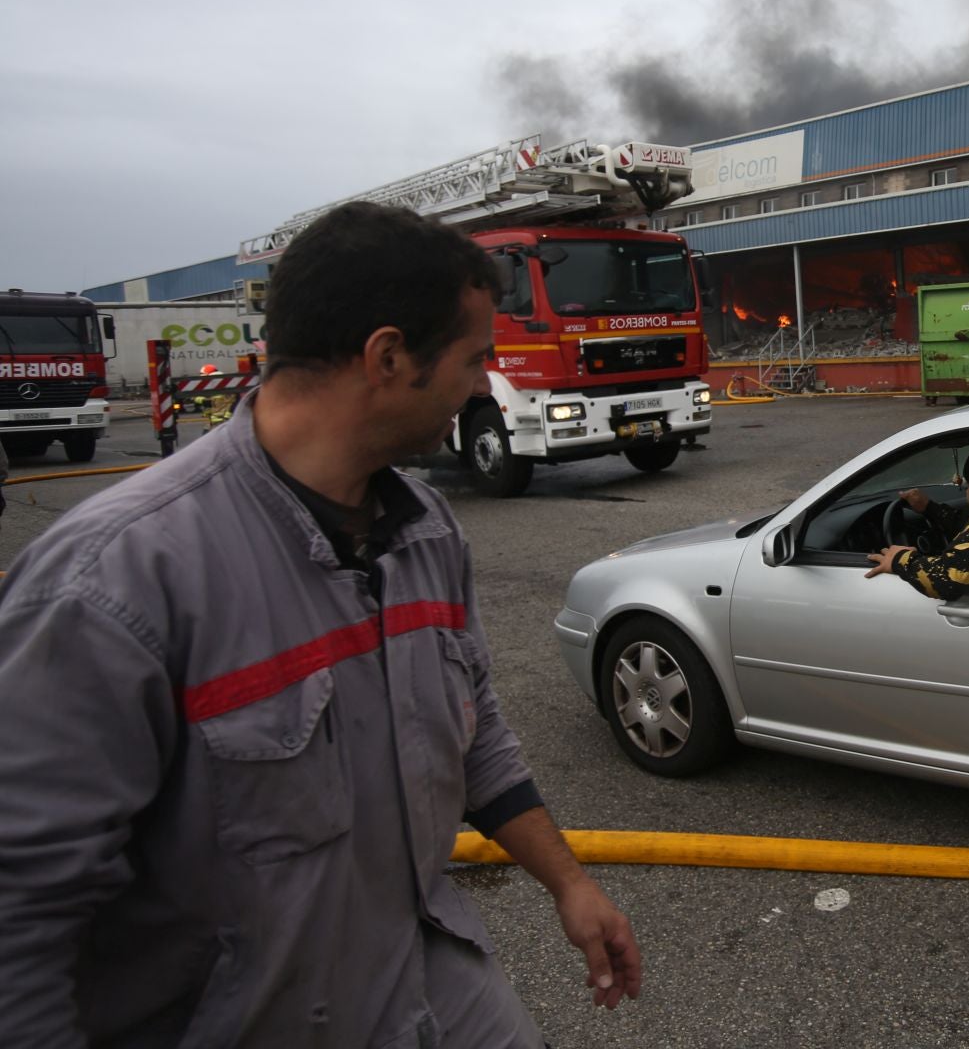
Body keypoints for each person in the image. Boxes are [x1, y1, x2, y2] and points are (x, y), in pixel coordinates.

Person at [0, 202, 640, 1046]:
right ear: (387, 356)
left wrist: (570, 884)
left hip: (423, 978)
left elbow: (474, 738)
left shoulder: (426, 533)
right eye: (475, 358)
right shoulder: (117, 579)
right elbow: (21, 914)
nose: (486, 383)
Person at [866, 435, 969, 600]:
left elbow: (950, 579)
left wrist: (900, 559)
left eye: (968, 485)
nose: (966, 490)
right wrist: (930, 508)